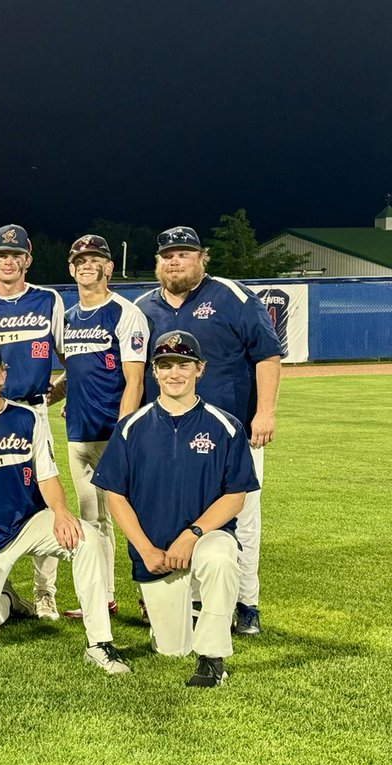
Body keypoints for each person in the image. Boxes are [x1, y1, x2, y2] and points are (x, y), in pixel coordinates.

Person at [0, 338, 128, 675]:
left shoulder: (27, 419)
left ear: (2, 375)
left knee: (87, 538)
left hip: (30, 524)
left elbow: (47, 477)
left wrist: (62, 514)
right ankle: (7, 600)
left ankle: (99, 643)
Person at [134, 227, 281, 636]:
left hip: (235, 432)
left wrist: (265, 413)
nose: (175, 261)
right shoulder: (144, 307)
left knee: (243, 519)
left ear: (203, 258)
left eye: (184, 253)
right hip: (168, 436)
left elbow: (267, 355)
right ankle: (174, 596)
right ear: (158, 261)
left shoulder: (231, 296)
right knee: (170, 515)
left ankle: (245, 602)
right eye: (167, 255)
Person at [92, 331, 260, 686]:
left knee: (220, 558)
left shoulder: (226, 425)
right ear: (154, 372)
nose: (174, 373)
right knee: (171, 649)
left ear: (200, 368)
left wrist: (193, 534)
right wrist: (146, 548)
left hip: (206, 539)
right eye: (165, 365)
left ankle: (213, 658)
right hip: (155, 555)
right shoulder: (131, 427)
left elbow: (236, 496)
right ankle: (185, 619)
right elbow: (114, 495)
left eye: (183, 364)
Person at [0, 224, 67, 619]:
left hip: (33, 411)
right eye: (2, 255)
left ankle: (45, 591)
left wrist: (52, 395)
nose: (9, 261)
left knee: (43, 498)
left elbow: (71, 357)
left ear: (27, 259)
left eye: (16, 255)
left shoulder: (48, 300)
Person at [59, 234, 149, 618]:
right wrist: (60, 395)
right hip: (79, 435)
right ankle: (103, 599)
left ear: (109, 267)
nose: (86, 265)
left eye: (95, 258)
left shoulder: (124, 313)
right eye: (80, 260)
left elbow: (135, 380)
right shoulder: (66, 317)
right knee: (92, 521)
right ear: (71, 268)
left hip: (115, 435)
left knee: (136, 517)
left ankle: (150, 597)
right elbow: (72, 368)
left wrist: (124, 433)